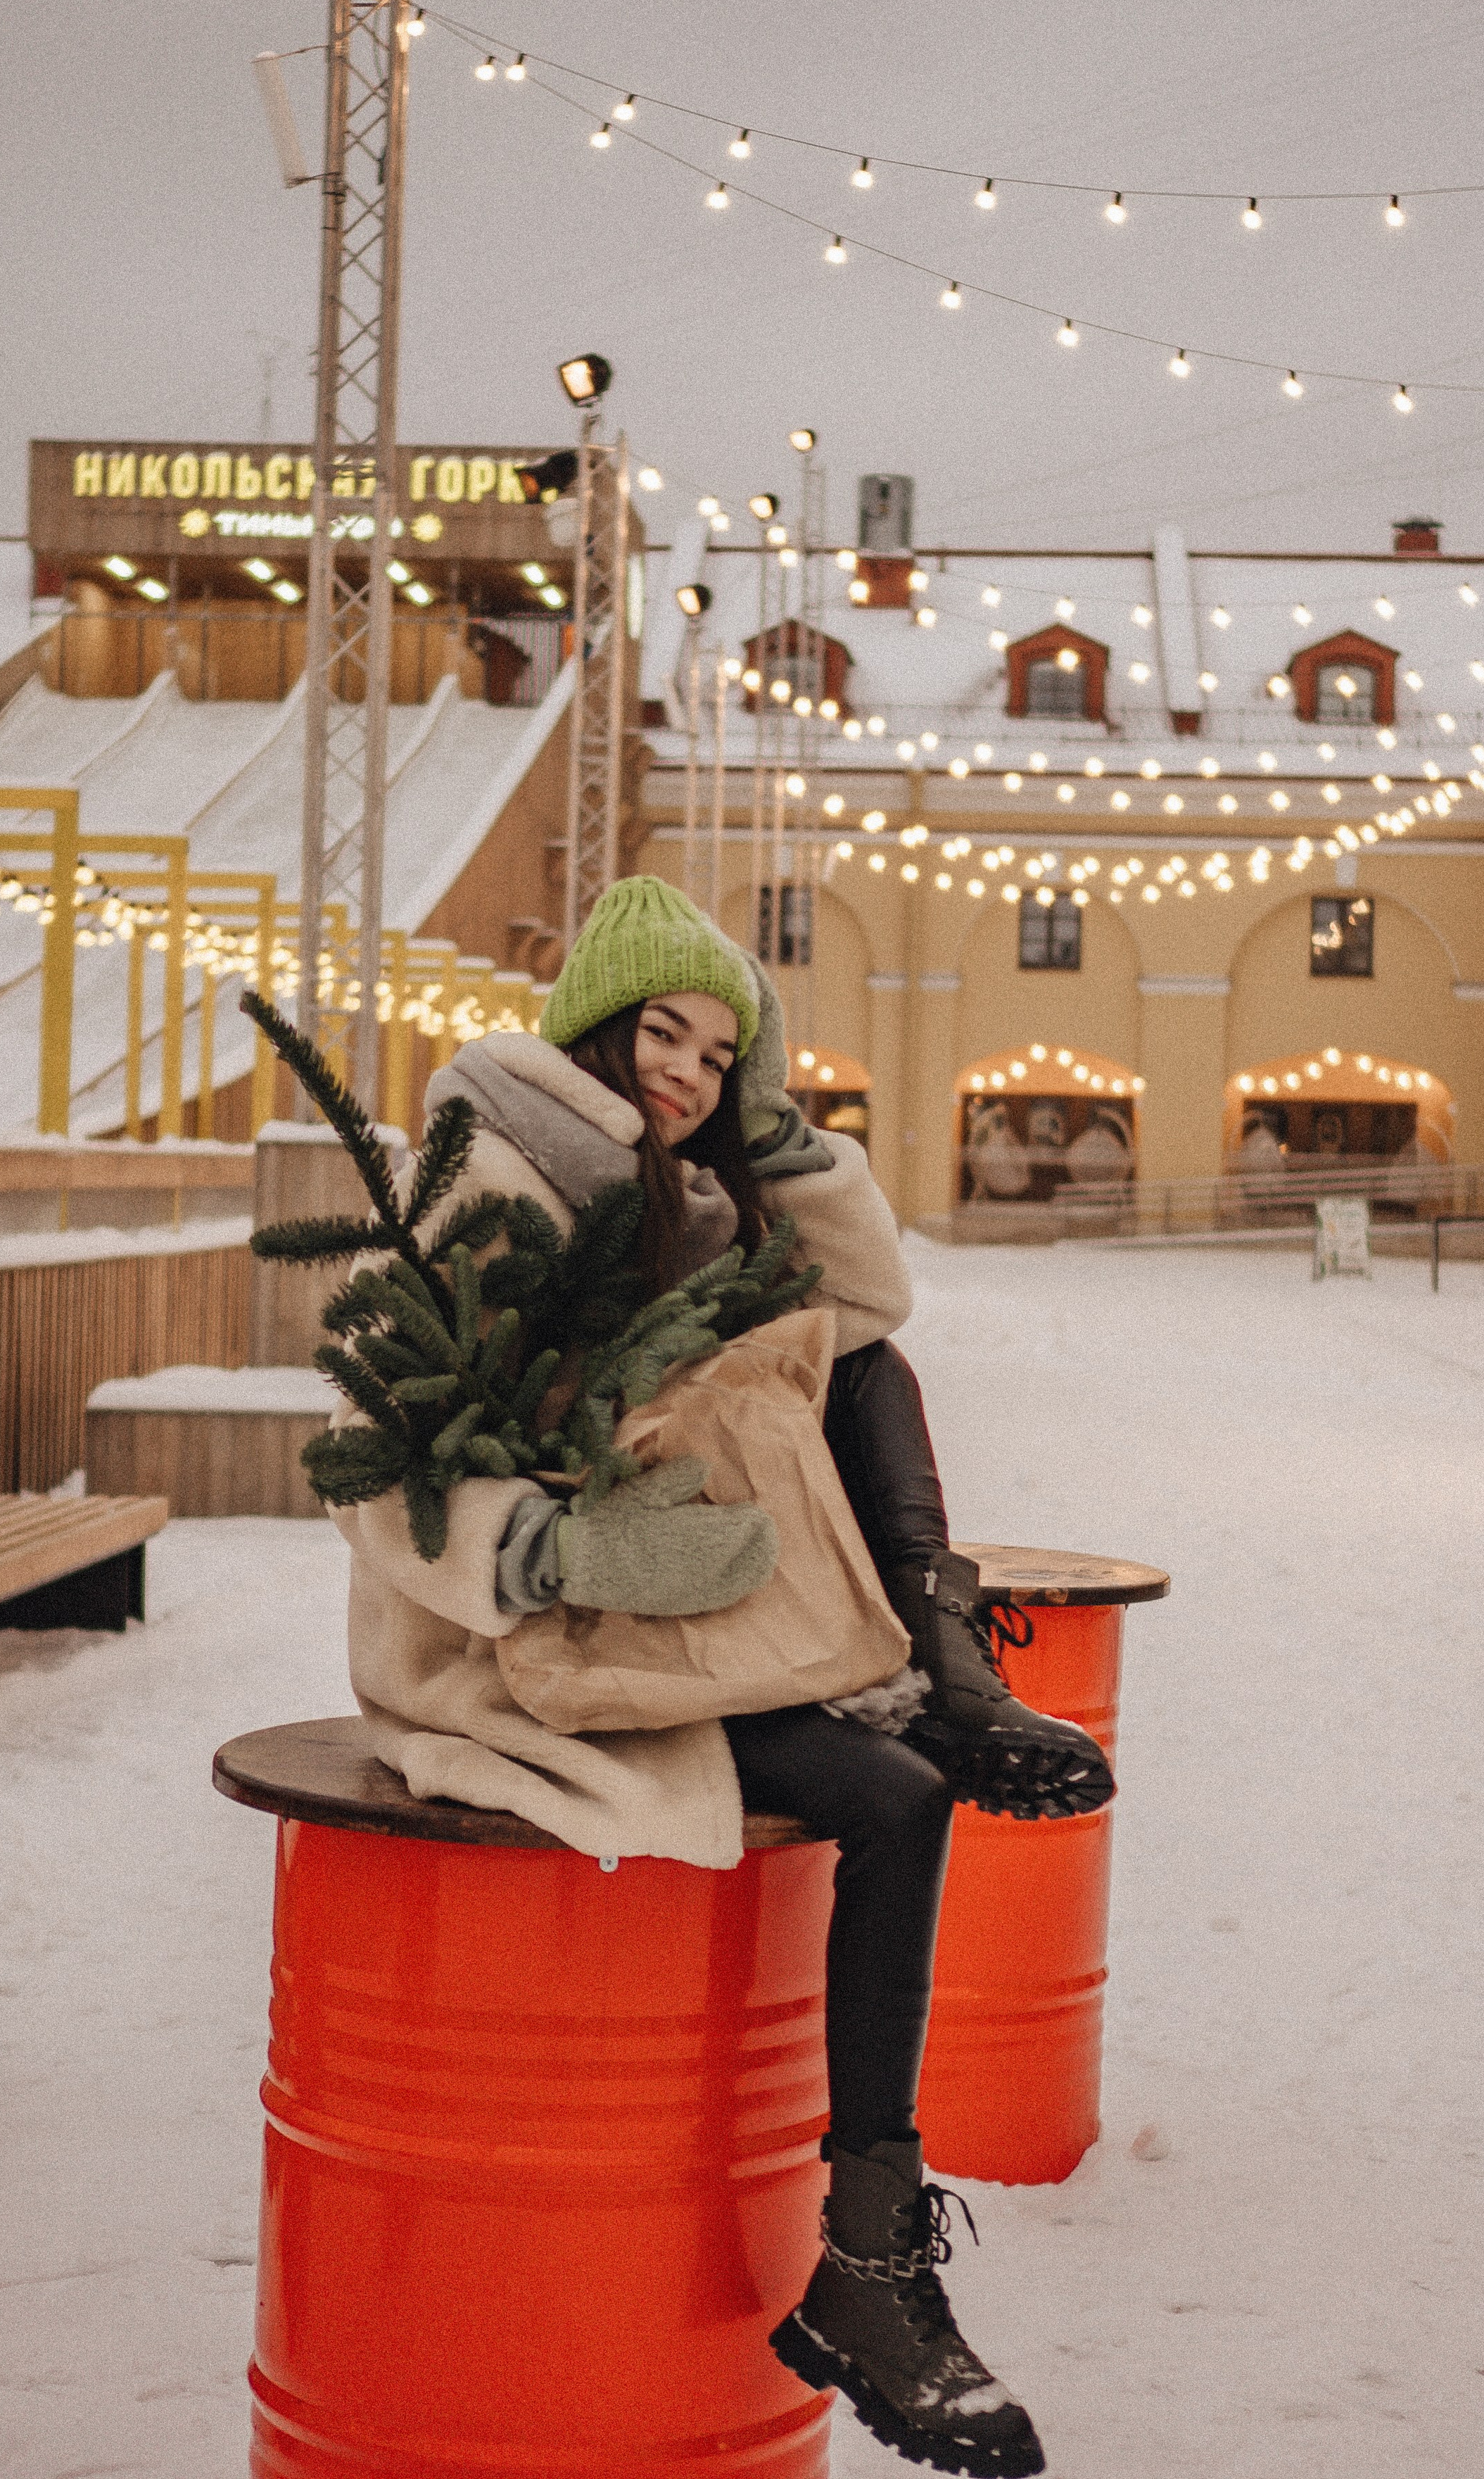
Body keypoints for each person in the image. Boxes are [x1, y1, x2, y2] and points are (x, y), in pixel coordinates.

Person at [338, 878, 1106, 2477]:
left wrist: (781, 1140)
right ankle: (871, 2271)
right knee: (893, 1799)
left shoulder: (689, 1194)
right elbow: (372, 1444)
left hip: (689, 1628)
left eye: (718, 1052)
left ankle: (945, 1678)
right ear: (595, 1027)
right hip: (530, 1644)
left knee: (868, 1381)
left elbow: (869, 1305)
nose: (687, 1072)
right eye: (663, 1036)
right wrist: (556, 1552)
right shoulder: (490, 1175)